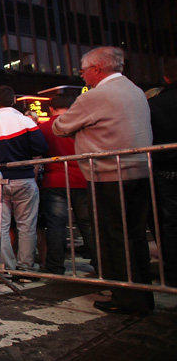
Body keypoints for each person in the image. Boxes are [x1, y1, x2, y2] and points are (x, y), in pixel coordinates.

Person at [53, 47, 153, 315]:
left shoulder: (95, 97)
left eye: (83, 70)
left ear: (97, 68)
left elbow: (60, 126)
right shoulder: (135, 90)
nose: (82, 75)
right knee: (135, 236)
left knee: (113, 237)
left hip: (108, 175)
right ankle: (144, 295)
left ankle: (126, 297)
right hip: (140, 172)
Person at [0, 85, 48, 273]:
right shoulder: (25, 122)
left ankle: (7, 267)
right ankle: (26, 267)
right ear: (14, 101)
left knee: (0, 226)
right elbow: (41, 148)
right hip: (23, 177)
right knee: (26, 226)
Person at [38, 94, 97, 275]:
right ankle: (101, 264)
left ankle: (55, 266)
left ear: (51, 108)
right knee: (87, 224)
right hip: (82, 177)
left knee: (56, 225)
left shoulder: (45, 127)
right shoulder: (82, 125)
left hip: (54, 179)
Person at [150, 59, 177, 286]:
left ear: (166, 77)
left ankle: (172, 275)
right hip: (164, 170)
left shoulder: (157, 104)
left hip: (166, 170)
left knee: (169, 224)